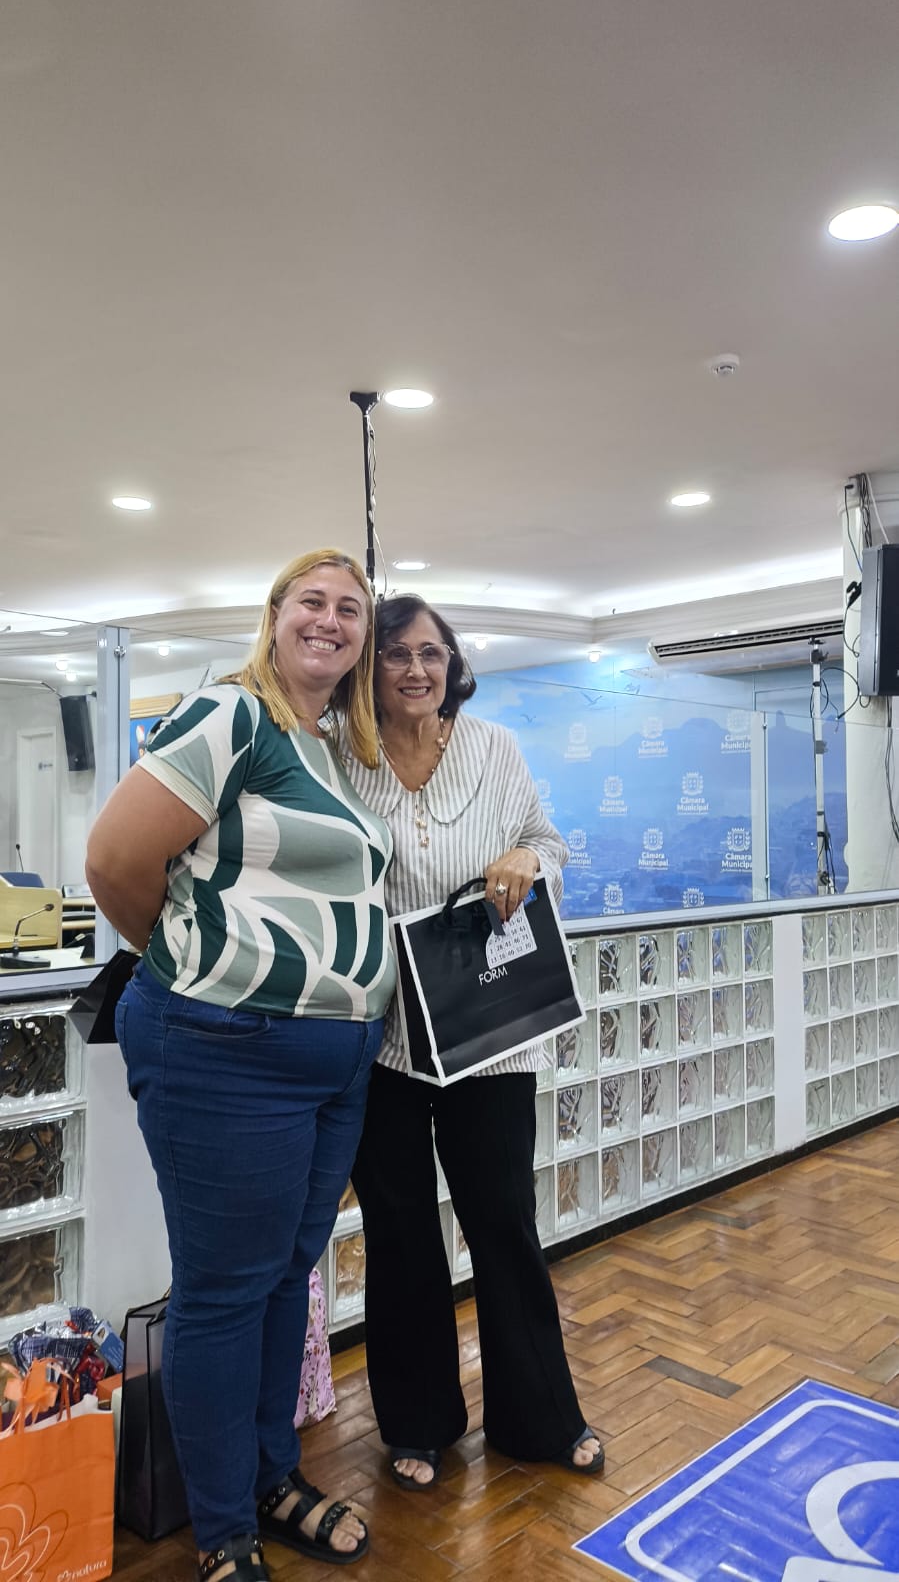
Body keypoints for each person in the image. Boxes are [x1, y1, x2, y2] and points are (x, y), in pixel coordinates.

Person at [85, 550, 395, 1582]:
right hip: (227, 1054)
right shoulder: (231, 716)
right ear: (274, 615)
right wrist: (192, 964)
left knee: (282, 1279)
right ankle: (222, 1532)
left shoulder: (329, 749)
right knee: (225, 1291)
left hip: (333, 1061)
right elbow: (114, 862)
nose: (330, 618)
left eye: (350, 608)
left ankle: (271, 1478)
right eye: (312, 600)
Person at [343, 594, 603, 1491]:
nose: (416, 669)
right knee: (400, 1231)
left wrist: (530, 859)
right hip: (381, 1032)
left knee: (502, 1221)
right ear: (368, 667)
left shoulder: (493, 747)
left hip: (490, 1032)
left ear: (453, 664)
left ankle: (537, 1419)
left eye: (431, 652)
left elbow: (546, 841)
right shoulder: (340, 755)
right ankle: (416, 1422)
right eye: (395, 653)